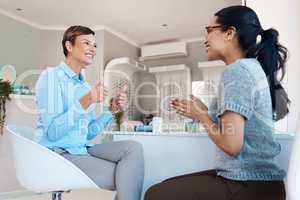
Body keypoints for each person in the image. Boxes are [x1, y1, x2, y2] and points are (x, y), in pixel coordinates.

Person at [144, 5, 289, 200]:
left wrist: (202, 116)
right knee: (164, 187)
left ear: (229, 33)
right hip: (258, 181)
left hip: (247, 184)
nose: (205, 39)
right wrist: (203, 111)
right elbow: (238, 130)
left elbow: (231, 145)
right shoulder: (250, 68)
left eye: (209, 30)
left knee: (155, 194)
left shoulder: (237, 71)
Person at [35, 25, 144, 200]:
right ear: (69, 46)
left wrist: (111, 110)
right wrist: (86, 101)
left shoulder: (84, 86)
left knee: (133, 148)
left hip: (81, 148)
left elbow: (89, 133)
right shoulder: (51, 77)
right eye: (87, 43)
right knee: (126, 176)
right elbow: (53, 133)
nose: (92, 49)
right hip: (57, 154)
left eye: (94, 45)